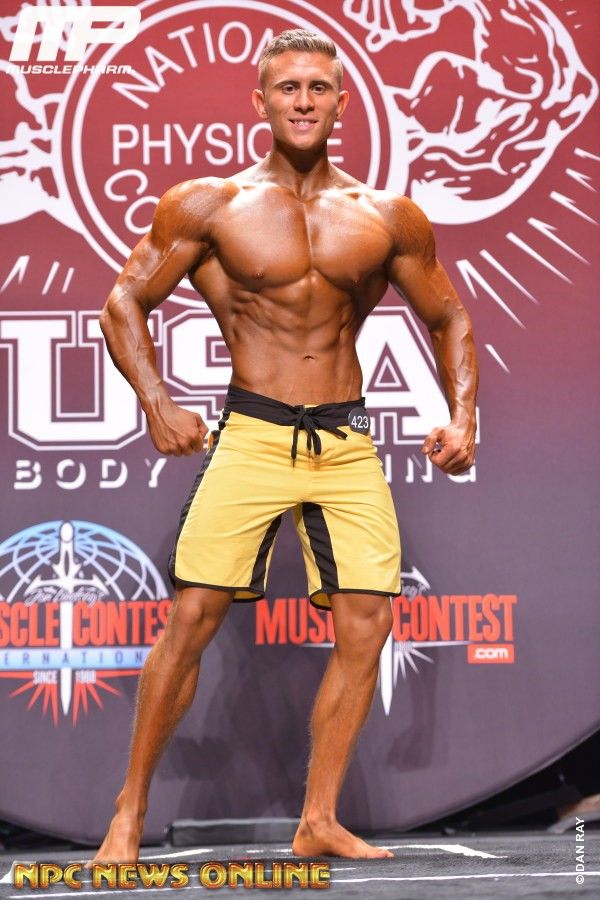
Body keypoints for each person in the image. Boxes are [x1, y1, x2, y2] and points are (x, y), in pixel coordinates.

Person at [93, 29, 478, 863]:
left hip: (345, 438)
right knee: (193, 616)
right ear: (260, 101)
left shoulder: (387, 216)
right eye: (288, 87)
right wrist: (156, 403)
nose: (304, 101)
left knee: (368, 621)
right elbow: (123, 303)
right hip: (255, 432)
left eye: (318, 87)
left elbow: (448, 316)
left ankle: (319, 818)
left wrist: (464, 417)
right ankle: (129, 810)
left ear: (343, 102)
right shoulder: (210, 205)